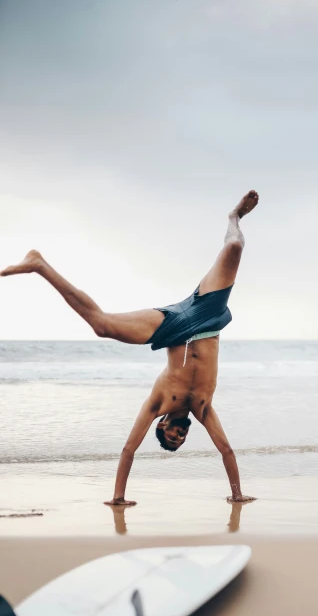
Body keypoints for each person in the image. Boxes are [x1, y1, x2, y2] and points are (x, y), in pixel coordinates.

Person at [1, 190, 259, 506]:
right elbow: (226, 450)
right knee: (234, 245)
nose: (178, 437)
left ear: (162, 425)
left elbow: (128, 449)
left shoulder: (157, 403)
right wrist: (237, 495)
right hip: (206, 316)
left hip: (173, 325)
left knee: (102, 325)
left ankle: (38, 264)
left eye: (170, 438)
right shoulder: (202, 409)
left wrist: (118, 498)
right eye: (180, 440)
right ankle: (234, 219)